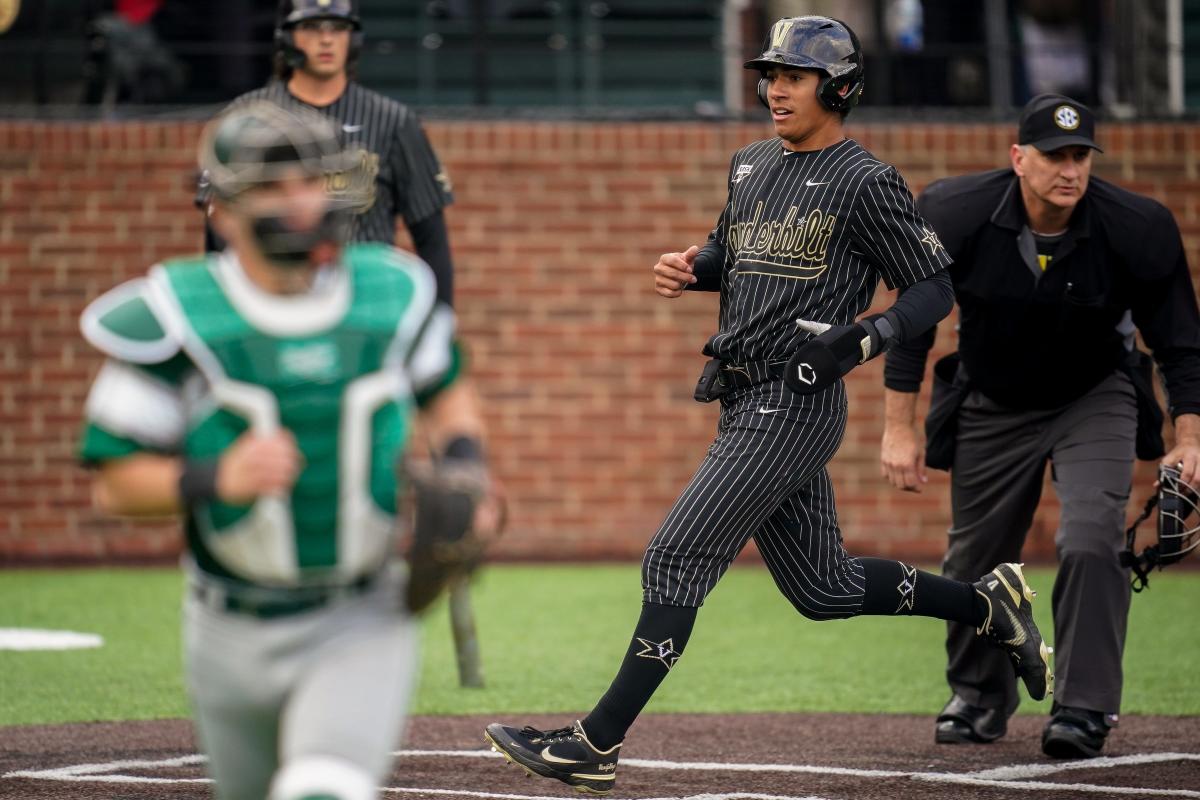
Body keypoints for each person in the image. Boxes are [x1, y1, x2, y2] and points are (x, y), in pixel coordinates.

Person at [482, 16, 1052, 795]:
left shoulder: (866, 181)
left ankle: (596, 742)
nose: (774, 87)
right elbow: (740, 252)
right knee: (824, 590)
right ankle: (987, 605)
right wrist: (697, 265)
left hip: (797, 400)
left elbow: (932, 288)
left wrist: (863, 339)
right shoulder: (750, 165)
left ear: (840, 87)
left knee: (674, 557)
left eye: (794, 74)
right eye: (770, 73)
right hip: (743, 394)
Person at [79, 101, 498, 800]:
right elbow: (114, 483)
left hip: (360, 613)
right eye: (273, 186)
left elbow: (447, 392)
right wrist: (217, 476)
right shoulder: (175, 311)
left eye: (310, 181)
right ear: (223, 209)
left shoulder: (392, 289)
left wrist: (468, 471)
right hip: (226, 624)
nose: (298, 201)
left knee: (322, 789)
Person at [880, 93, 1200, 758]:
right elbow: (914, 322)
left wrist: (1190, 438)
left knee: (1090, 537)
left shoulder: (1138, 226)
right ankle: (979, 695)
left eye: (1080, 155)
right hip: (991, 397)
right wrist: (899, 429)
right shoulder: (952, 212)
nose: (1069, 169)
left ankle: (1083, 707)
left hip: (1095, 395)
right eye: (1054, 156)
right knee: (975, 557)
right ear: (1018, 158)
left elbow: (1179, 343)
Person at [196, 0, 458, 307]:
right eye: (310, 27)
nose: (326, 39)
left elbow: (431, 239)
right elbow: (218, 232)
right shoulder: (244, 119)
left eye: (338, 28)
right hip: (269, 303)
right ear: (287, 37)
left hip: (366, 306)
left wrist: (439, 321)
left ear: (354, 38)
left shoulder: (393, 121)